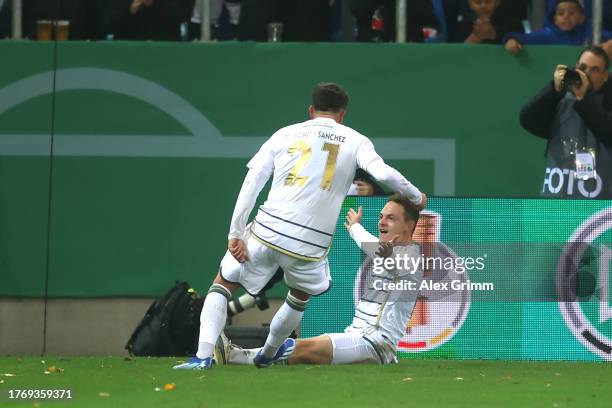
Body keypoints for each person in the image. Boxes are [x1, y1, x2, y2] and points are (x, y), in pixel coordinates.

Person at [173, 83, 426, 370]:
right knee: (299, 296)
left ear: (310, 110)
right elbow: (381, 172)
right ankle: (267, 354)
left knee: (223, 283)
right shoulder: (355, 140)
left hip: (269, 227)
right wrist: (417, 196)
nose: (382, 222)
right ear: (342, 114)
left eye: (390, 218)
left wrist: (236, 232)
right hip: (310, 243)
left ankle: (202, 356)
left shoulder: (284, 134)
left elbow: (252, 182)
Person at [215, 194, 423, 366]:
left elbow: (387, 257)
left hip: (376, 344)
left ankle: (233, 356)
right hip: (357, 336)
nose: (382, 222)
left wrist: (355, 228)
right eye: (381, 216)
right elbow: (379, 253)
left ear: (409, 225)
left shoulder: (412, 257)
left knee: (297, 348)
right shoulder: (387, 252)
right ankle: (236, 355)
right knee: (300, 349)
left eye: (391, 218)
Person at [519, 45, 612, 199]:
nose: (586, 74)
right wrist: (554, 90)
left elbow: (608, 133)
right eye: (582, 67)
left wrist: (584, 97)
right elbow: (528, 120)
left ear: (604, 76)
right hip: (557, 197)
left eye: (594, 70)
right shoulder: (561, 99)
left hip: (598, 206)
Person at [504, 0, 589, 54]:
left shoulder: (587, 34)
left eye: (571, 13)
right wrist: (512, 39)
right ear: (555, 19)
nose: (565, 17)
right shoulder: (547, 35)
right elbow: (526, 38)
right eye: (561, 13)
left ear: (581, 18)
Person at [451, 0, 523, 44]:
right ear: (471, 4)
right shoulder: (461, 28)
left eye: (488, 1)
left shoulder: (511, 23)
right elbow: (458, 55)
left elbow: (522, 39)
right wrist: (476, 36)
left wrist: (493, 33)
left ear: (497, 2)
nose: (483, 6)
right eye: (478, 2)